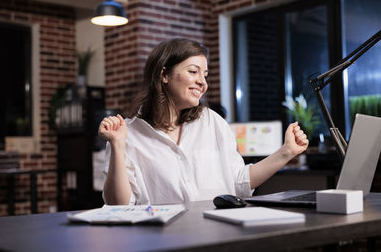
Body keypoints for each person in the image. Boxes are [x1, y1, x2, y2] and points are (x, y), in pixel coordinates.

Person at [98, 38, 308, 205]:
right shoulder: (128, 134)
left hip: (218, 237)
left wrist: (287, 152)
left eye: (205, 75)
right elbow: (119, 204)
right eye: (193, 71)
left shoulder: (212, 122)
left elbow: (239, 181)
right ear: (164, 75)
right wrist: (117, 146)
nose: (202, 82)